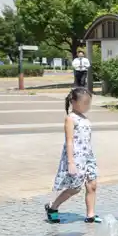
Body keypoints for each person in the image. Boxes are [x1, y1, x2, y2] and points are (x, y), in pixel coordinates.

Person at [44, 87, 100, 224]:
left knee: (92, 184)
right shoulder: (70, 119)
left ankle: (91, 214)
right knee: (74, 188)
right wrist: (70, 162)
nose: (87, 106)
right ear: (74, 102)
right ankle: (53, 207)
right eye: (84, 103)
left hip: (88, 156)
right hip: (76, 157)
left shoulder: (84, 118)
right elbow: (69, 141)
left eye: (89, 103)